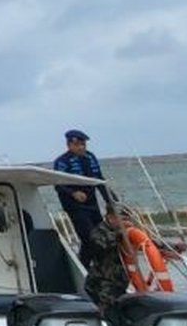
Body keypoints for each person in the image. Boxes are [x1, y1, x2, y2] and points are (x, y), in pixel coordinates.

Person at [53, 129, 113, 266]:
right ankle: (85, 266)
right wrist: (73, 194)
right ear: (69, 145)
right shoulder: (62, 162)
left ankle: (90, 267)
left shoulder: (90, 157)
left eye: (83, 144)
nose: (81, 147)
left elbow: (99, 180)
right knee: (89, 237)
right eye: (78, 144)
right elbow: (58, 185)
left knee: (100, 236)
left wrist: (111, 200)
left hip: (92, 204)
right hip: (75, 206)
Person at [84, 204, 132, 313]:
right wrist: (120, 233)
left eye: (127, 219)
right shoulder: (98, 231)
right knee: (105, 311)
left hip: (119, 282)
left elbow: (144, 244)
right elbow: (101, 245)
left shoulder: (127, 232)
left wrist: (168, 247)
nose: (125, 222)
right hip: (101, 282)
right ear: (110, 218)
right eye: (122, 219)